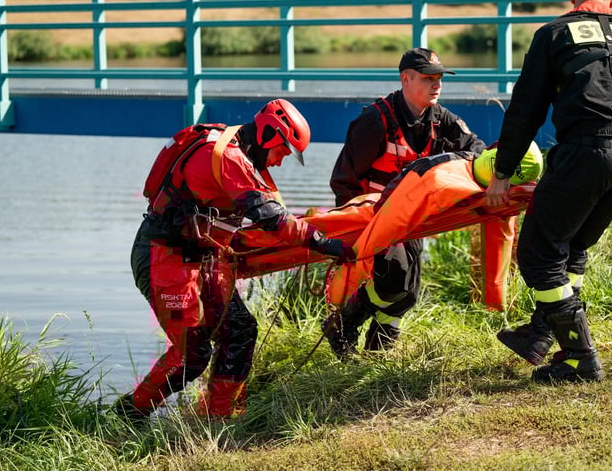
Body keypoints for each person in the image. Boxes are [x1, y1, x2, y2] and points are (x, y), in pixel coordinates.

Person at [113, 98, 353, 423]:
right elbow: (271, 218)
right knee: (191, 355)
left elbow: (265, 218)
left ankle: (220, 418)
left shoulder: (244, 156)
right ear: (269, 135)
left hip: (207, 258)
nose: (281, 163)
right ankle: (130, 413)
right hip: (164, 257)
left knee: (239, 331)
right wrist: (325, 244)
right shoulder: (229, 156)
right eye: (282, 152)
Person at [485, 0, 612, 383]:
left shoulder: (554, 34)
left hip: (586, 153)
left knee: (538, 254)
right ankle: (541, 333)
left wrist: (502, 171)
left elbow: (527, 107)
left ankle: (580, 357)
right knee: (573, 245)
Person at [326, 47, 486, 357]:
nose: (436, 85)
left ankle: (375, 358)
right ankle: (343, 325)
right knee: (395, 281)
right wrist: (352, 233)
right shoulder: (374, 121)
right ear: (406, 79)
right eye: (428, 79)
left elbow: (476, 148)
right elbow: (343, 180)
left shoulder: (441, 118)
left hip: (412, 219)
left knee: (407, 296)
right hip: (373, 218)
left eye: (439, 78)